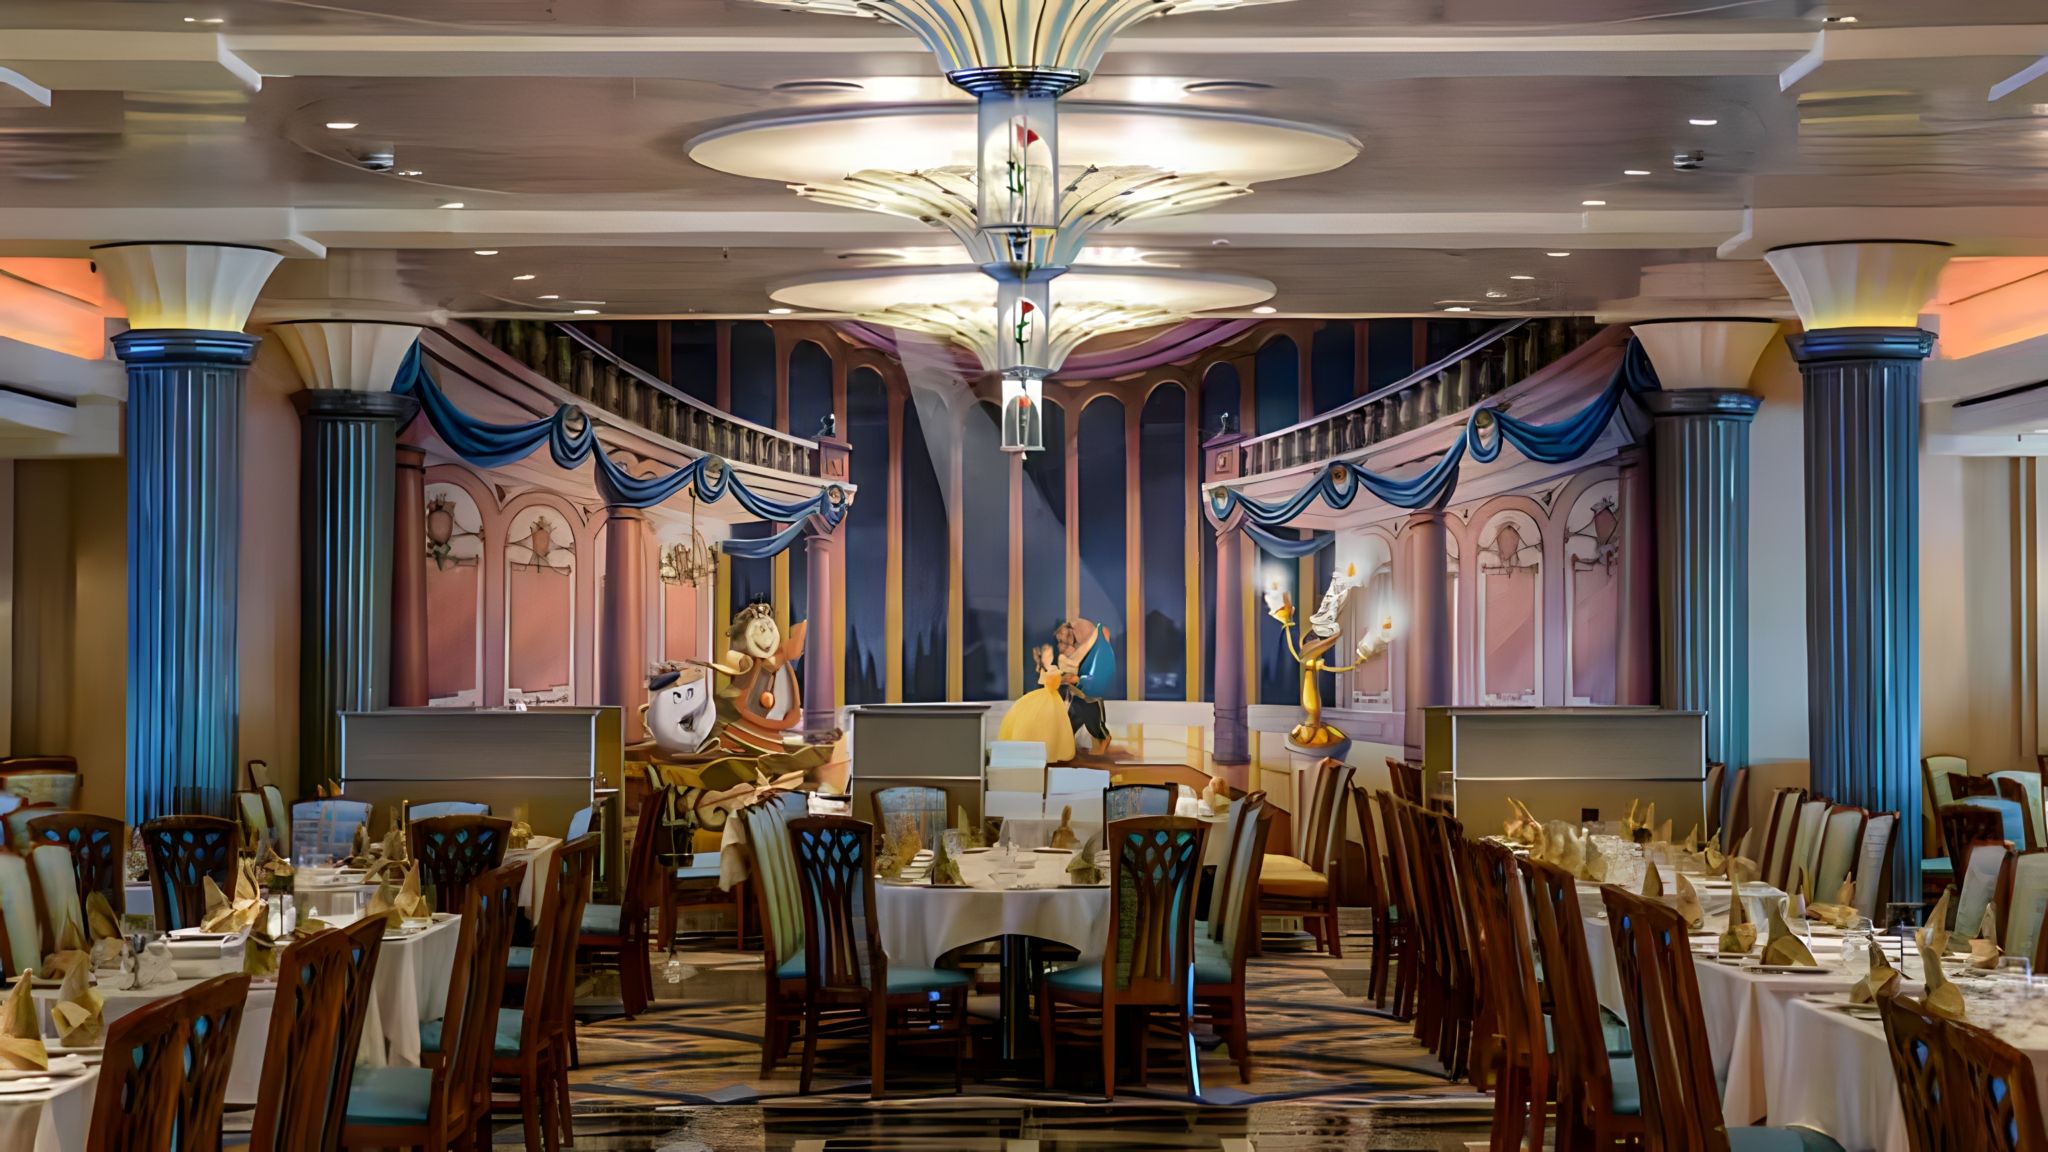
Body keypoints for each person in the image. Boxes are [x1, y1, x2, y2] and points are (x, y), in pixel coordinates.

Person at [996, 644, 1076, 762]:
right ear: (1041, 657)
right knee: (1036, 721)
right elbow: (1047, 682)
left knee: (1052, 725)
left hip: (1053, 698)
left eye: (1050, 654)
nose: (1048, 657)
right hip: (1045, 696)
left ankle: (1051, 750)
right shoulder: (1044, 669)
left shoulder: (1054, 668)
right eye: (1046, 655)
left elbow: (1056, 682)